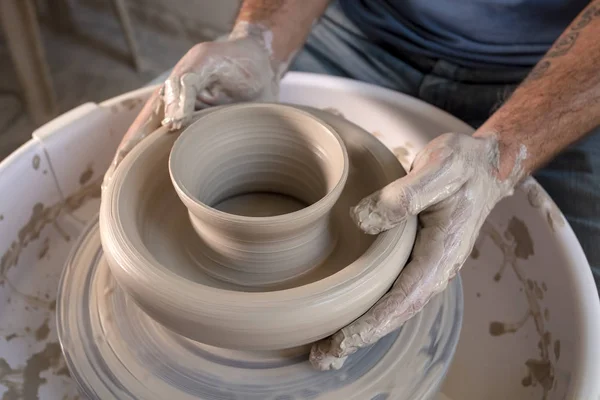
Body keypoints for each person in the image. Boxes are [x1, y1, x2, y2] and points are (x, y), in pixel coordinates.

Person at [104, 0, 600, 371]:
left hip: (555, 66)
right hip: (355, 27)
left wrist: (503, 155)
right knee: (180, 112)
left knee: (578, 326)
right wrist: (262, 37)